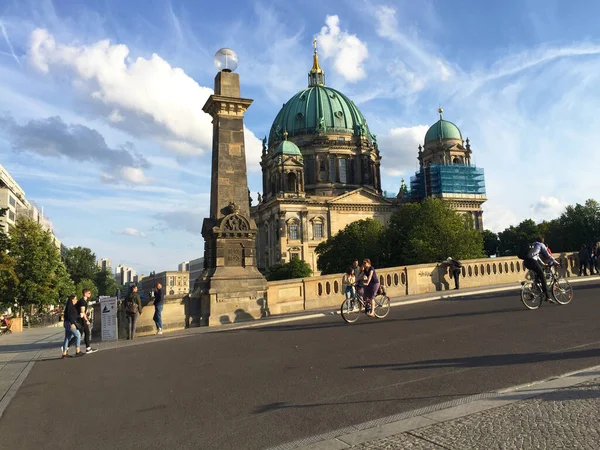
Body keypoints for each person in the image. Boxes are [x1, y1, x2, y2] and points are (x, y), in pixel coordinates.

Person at [522, 236, 559, 301]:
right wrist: (555, 261)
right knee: (542, 276)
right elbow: (548, 255)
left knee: (538, 275)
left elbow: (536, 256)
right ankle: (547, 296)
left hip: (526, 262)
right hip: (532, 261)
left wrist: (543, 264)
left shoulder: (533, 245)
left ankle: (535, 287)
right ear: (542, 241)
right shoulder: (541, 245)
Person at [74, 289, 97, 354]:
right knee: (80, 334)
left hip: (81, 319)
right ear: (85, 294)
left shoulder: (83, 301)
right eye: (89, 293)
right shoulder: (83, 301)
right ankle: (66, 346)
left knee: (86, 332)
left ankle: (88, 348)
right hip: (81, 320)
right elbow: (82, 311)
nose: (90, 294)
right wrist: (86, 320)